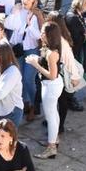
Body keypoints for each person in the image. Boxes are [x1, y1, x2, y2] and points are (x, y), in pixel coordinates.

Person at [25, 22, 63, 159]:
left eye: (43, 32)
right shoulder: (48, 48)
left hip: (51, 86)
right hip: (51, 85)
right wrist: (37, 60)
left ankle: (51, 147)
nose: (40, 34)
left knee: (50, 117)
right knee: (53, 114)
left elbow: (52, 75)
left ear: (49, 35)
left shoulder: (52, 53)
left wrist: (35, 65)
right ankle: (54, 139)